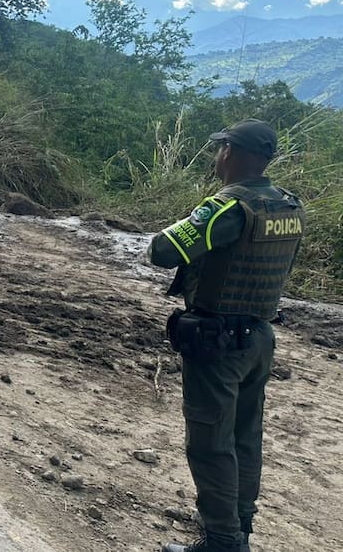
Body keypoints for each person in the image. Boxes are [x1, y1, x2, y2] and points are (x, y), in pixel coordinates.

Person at [148, 120, 305, 552]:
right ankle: (240, 530)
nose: (216, 158)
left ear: (232, 153)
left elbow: (161, 251)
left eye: (221, 150)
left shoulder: (229, 208)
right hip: (259, 337)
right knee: (244, 437)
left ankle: (222, 542)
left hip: (218, 342)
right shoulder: (287, 206)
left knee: (210, 444)